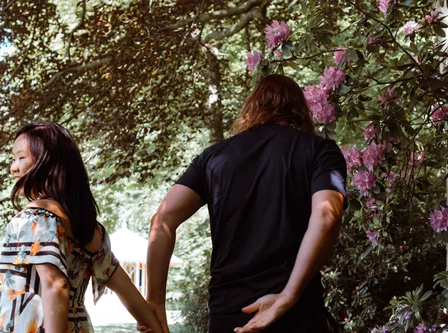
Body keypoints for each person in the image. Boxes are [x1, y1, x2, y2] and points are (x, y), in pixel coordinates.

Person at [143, 74, 347, 333]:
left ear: (252, 107)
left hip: (229, 314)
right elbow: (326, 216)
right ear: (300, 111)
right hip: (297, 315)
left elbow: (162, 220)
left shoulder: (212, 158)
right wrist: (287, 297)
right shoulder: (319, 151)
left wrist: (155, 302)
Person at [0, 122, 162, 333]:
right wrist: (155, 327)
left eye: (21, 158)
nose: (13, 168)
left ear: (47, 162)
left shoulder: (36, 217)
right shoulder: (92, 231)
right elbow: (124, 287)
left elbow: (55, 285)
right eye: (13, 159)